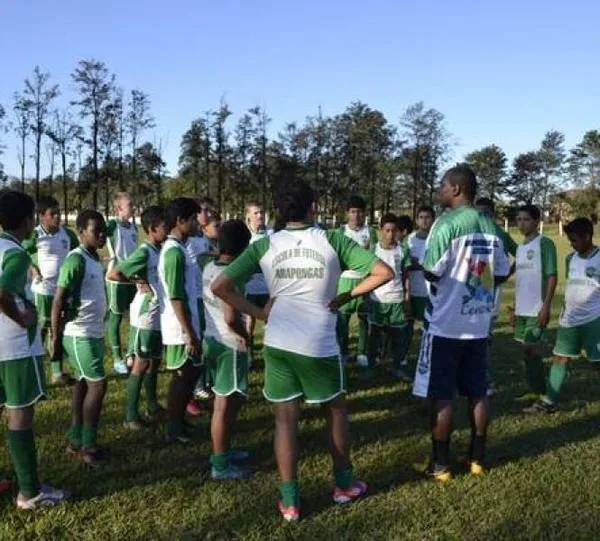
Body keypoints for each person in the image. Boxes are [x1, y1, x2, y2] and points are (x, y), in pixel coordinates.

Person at [212, 179, 393, 521]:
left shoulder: (264, 245)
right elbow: (383, 272)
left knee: (285, 422)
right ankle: (343, 485)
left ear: (280, 211)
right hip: (320, 343)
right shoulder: (332, 239)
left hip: (279, 342)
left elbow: (221, 285)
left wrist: (261, 314)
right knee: (336, 413)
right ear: (313, 207)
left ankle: (291, 502)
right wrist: (346, 296)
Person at [413, 166, 510, 481]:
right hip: (479, 324)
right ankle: (477, 459)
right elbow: (503, 270)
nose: (440, 190)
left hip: (446, 325)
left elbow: (430, 270)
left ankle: (440, 465)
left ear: (456, 189)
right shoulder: (490, 225)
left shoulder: (447, 224)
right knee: (478, 392)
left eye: (443, 185)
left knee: (442, 395)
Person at [0, 190, 69, 508]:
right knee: (20, 415)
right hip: (14, 347)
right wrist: (21, 316)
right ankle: (30, 492)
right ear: (28, 220)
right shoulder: (15, 254)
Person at [524, 218, 599, 414]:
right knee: (560, 358)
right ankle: (548, 402)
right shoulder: (570, 259)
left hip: (594, 320)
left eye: (575, 240)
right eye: (570, 240)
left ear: (588, 236)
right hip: (569, 320)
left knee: (597, 363)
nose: (572, 244)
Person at [52, 210, 109, 467]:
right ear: (81, 232)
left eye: (103, 230)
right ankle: (88, 445)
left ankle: (75, 437)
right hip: (79, 333)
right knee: (98, 385)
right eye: (96, 230)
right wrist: (55, 337)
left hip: (93, 332)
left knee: (84, 383)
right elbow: (58, 300)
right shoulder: (75, 260)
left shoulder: (94, 258)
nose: (101, 235)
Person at [106, 206, 168, 429]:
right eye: (164, 225)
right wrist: (137, 282)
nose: (168, 228)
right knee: (141, 363)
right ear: (152, 229)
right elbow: (114, 273)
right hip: (146, 315)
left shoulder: (161, 249)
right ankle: (130, 416)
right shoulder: (144, 252)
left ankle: (152, 405)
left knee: (155, 361)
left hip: (160, 312)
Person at [202, 220, 253, 480]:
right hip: (229, 343)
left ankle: (224, 450)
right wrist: (246, 337)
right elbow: (231, 317)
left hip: (211, 339)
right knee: (224, 404)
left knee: (227, 400)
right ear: (245, 247)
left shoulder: (210, 267)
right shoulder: (232, 274)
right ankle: (220, 464)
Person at [158, 197, 202, 443]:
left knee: (191, 373)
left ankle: (179, 421)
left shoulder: (182, 248)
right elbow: (175, 297)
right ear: (180, 221)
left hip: (188, 324)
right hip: (178, 328)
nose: (197, 223)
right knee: (181, 377)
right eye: (194, 219)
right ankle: (172, 428)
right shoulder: (174, 252)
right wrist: (189, 333)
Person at [24, 195, 79, 386]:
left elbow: (78, 255)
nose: (58, 217)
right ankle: (33, 370)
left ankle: (57, 373)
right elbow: (22, 252)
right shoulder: (35, 235)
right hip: (43, 291)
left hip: (63, 291)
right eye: (53, 214)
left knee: (58, 331)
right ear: (41, 216)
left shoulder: (68, 235)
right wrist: (32, 267)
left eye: (59, 213)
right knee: (41, 330)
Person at [507, 205, 557, 400]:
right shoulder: (520, 248)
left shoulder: (545, 243)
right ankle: (534, 388)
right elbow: (520, 279)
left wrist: (546, 306)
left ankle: (542, 389)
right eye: (518, 219)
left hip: (537, 308)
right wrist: (514, 308)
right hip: (521, 309)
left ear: (536, 221)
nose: (521, 223)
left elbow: (552, 276)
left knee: (530, 347)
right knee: (525, 350)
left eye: (526, 219)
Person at [475, 197, 517, 396]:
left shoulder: (500, 233)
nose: (482, 217)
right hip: (470, 290)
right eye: (479, 213)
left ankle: (485, 380)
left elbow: (521, 252)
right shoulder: (469, 230)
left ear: (491, 214)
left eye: (485, 213)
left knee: (484, 337)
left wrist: (507, 273)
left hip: (491, 291)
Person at [365, 213, 412, 382]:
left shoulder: (402, 249)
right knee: (374, 335)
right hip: (377, 300)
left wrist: (407, 297)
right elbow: (367, 275)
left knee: (398, 336)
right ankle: (371, 366)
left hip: (397, 300)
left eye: (393, 231)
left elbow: (406, 275)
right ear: (380, 230)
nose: (390, 235)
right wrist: (367, 297)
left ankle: (397, 367)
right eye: (387, 230)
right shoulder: (373, 249)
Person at [336, 196, 378, 365]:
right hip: (345, 280)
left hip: (364, 280)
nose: (356, 215)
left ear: (365, 213)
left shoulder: (371, 232)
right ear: (347, 214)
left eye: (360, 212)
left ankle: (361, 352)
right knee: (342, 320)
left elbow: (376, 256)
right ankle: (344, 352)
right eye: (353, 212)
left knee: (363, 318)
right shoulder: (341, 232)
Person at [185, 197, 215, 416]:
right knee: (195, 346)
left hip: (204, 296)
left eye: (208, 211)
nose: (208, 214)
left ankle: (202, 385)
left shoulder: (203, 238)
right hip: (192, 297)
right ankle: (192, 391)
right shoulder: (186, 241)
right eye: (203, 211)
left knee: (205, 342)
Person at [105, 192, 138, 375]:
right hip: (116, 279)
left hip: (132, 278)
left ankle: (130, 353)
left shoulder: (133, 227)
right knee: (116, 318)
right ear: (118, 209)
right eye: (130, 205)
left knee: (135, 317)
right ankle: (117, 358)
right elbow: (96, 233)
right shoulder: (112, 225)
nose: (133, 207)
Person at [406, 206, 435, 360]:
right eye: (421, 217)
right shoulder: (410, 239)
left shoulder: (437, 238)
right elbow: (406, 262)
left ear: (433, 219)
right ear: (417, 220)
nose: (424, 220)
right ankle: (402, 356)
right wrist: (422, 264)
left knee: (429, 326)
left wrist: (418, 263)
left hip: (431, 291)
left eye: (428, 217)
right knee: (407, 326)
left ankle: (427, 356)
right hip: (412, 290)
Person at [244, 202, 271, 366]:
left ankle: (271, 355)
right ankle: (248, 355)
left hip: (269, 288)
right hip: (250, 288)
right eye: (255, 213)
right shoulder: (245, 236)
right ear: (248, 216)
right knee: (249, 323)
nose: (259, 216)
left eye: (261, 212)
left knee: (271, 323)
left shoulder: (271, 234)